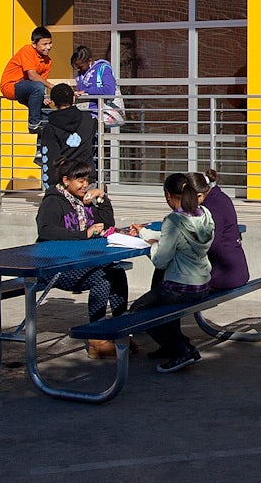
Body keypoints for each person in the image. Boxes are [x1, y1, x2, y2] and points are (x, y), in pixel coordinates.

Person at [36, 159, 130, 360]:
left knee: (117, 272)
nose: (85, 185)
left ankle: (120, 329)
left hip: (83, 261)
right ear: (66, 180)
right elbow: (46, 231)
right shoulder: (52, 202)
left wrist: (102, 198)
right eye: (80, 180)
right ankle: (95, 339)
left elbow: (107, 224)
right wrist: (83, 235)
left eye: (86, 180)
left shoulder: (84, 201)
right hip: (56, 265)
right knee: (101, 279)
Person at [126, 171, 215, 374]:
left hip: (179, 286)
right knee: (162, 305)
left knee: (138, 312)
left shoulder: (173, 220)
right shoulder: (204, 215)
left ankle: (181, 349)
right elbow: (176, 237)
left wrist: (152, 245)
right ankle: (177, 346)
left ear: (168, 195)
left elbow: (160, 259)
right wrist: (144, 232)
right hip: (202, 283)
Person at [38, 83, 100, 192]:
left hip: (65, 184)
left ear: (52, 102)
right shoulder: (89, 120)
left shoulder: (50, 127)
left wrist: (51, 189)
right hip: (86, 180)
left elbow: (50, 158)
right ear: (74, 98)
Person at [200, 168, 249, 290]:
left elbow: (211, 246)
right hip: (238, 272)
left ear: (199, 195)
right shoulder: (222, 198)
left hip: (224, 276)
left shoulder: (211, 208)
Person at [0, 26, 54, 132]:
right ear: (34, 44)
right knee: (37, 88)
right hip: (11, 86)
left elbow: (40, 81)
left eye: (50, 43)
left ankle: (42, 147)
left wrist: (43, 96)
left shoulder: (48, 61)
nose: (48, 47)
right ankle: (33, 123)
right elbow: (32, 75)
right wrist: (51, 86)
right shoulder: (27, 50)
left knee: (47, 115)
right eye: (44, 44)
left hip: (30, 89)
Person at [71, 44, 124, 127]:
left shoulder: (103, 68)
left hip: (99, 114)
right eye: (76, 66)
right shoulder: (80, 74)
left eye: (81, 66)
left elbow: (109, 91)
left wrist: (86, 91)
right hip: (85, 113)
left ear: (90, 61)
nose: (78, 69)